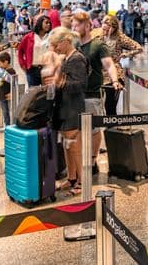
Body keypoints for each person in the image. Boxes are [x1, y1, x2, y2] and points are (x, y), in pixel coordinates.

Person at [72, 11, 120, 172]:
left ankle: (93, 161)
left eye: (77, 24)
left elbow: (109, 64)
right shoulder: (74, 45)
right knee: (76, 130)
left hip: (92, 95)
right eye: (73, 25)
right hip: (74, 95)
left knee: (94, 130)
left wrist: (114, 80)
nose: (74, 27)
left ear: (87, 25)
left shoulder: (98, 45)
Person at [49, 27, 88, 196]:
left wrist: (60, 81)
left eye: (56, 45)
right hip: (63, 107)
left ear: (66, 42)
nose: (55, 48)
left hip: (72, 107)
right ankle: (71, 178)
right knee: (67, 145)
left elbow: (80, 85)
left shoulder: (77, 58)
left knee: (74, 146)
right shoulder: (66, 58)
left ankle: (82, 182)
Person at [97, 15, 142, 116]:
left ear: (114, 26)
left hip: (115, 73)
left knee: (110, 106)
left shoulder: (119, 37)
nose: (105, 27)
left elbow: (139, 48)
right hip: (99, 73)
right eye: (104, 23)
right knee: (97, 105)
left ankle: (112, 127)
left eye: (109, 25)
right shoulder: (98, 36)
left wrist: (125, 54)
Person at [17, 15, 52, 88]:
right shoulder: (29, 36)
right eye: (46, 23)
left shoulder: (51, 37)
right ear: (40, 23)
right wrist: (23, 65)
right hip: (32, 69)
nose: (48, 25)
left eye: (49, 23)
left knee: (46, 93)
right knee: (33, 93)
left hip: (47, 69)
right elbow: (20, 51)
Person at [0, 52, 16, 127]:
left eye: (0, 64)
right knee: (5, 113)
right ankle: (7, 126)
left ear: (6, 62)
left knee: (10, 112)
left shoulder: (11, 71)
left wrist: (12, 93)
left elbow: (14, 84)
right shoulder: (0, 70)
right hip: (2, 96)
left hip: (8, 96)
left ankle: (11, 126)